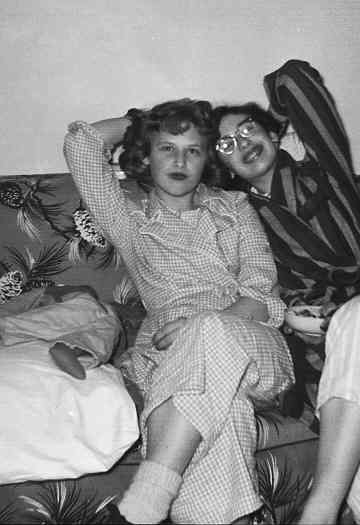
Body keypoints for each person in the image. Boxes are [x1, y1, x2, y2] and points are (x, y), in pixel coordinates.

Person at [207, 60, 360, 524]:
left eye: (249, 128)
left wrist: (276, 104)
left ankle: (320, 510)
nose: (243, 143)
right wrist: (292, 316)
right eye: (226, 144)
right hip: (318, 346)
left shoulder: (326, 176)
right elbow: (256, 288)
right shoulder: (242, 218)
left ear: (274, 134)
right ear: (225, 167)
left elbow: (297, 80)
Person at [63, 99, 294, 525]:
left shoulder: (234, 207)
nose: (180, 161)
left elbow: (261, 294)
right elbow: (81, 143)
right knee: (226, 410)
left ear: (207, 159)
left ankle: (142, 505)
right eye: (167, 148)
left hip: (253, 344)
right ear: (146, 155)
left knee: (210, 332)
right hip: (169, 357)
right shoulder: (129, 219)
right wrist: (141, 122)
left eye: (193, 150)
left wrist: (201, 325)